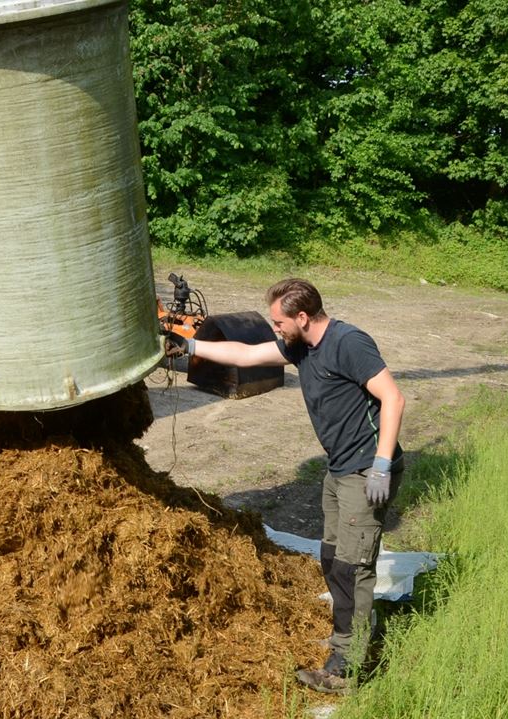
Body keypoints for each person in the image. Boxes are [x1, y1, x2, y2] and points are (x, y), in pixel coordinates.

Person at [163, 278, 405, 695]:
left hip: (366, 470)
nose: (274, 328)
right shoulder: (300, 344)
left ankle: (348, 667)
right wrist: (189, 347)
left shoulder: (348, 343)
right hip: (340, 468)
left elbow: (393, 398)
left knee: (352, 568)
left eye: (278, 321)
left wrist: (382, 464)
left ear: (302, 317)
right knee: (333, 560)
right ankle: (354, 635)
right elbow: (247, 353)